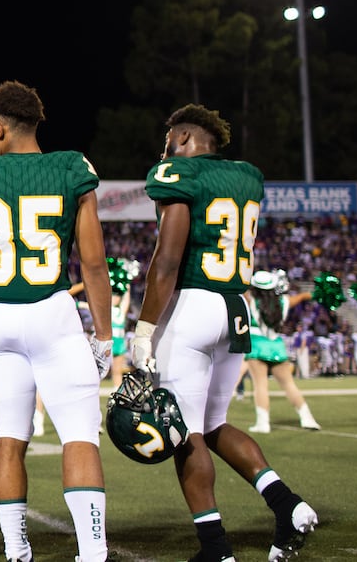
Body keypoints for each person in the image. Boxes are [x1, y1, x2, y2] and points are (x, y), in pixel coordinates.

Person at [130, 103, 318, 562]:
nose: (165, 148)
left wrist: (144, 329)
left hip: (194, 304)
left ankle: (216, 548)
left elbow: (168, 260)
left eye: (171, 138)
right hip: (236, 308)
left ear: (188, 139)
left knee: (185, 434)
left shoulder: (178, 173)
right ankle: (286, 504)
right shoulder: (247, 176)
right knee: (212, 425)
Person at [0, 80, 111, 562]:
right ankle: (92, 552)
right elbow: (94, 263)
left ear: (1, 126)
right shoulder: (69, 166)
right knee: (80, 438)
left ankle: (15, 548)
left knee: (10, 441)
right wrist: (105, 336)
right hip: (52, 313)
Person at [243, 273, 321, 433]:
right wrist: (323, 292)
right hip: (277, 345)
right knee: (289, 385)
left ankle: (263, 423)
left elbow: (239, 287)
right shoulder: (285, 301)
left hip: (257, 344)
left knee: (260, 385)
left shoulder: (250, 299)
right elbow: (306, 295)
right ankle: (307, 418)